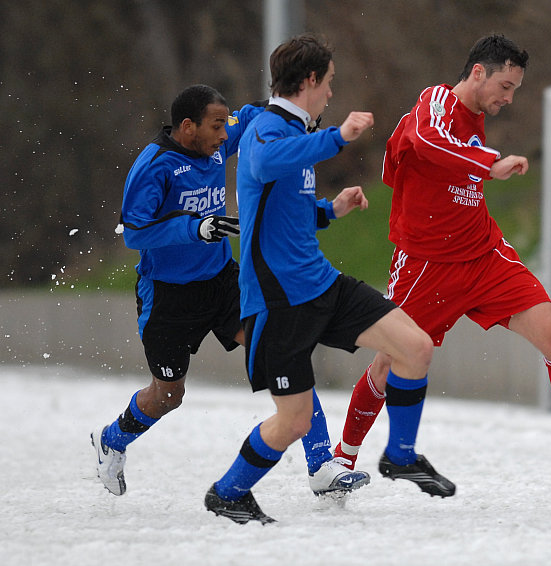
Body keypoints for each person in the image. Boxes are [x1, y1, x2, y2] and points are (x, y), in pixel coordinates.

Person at [332, 34, 551, 487]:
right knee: (390, 365)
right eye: (505, 86)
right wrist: (488, 165)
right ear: (479, 72)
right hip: (428, 264)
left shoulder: (474, 119)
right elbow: (425, 142)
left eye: (515, 90)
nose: (509, 98)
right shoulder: (434, 101)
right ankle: (341, 462)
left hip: (484, 254)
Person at [203, 34, 438, 525]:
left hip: (322, 285)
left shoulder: (292, 131)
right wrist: (340, 137)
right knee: (293, 422)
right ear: (309, 81)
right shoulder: (266, 128)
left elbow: (283, 210)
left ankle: (399, 453)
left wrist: (331, 209)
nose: (332, 93)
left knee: (415, 346)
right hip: (278, 301)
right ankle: (227, 493)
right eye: (329, 83)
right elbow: (265, 164)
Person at [91, 84, 369, 499]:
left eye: (226, 126)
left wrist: (301, 114)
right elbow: (133, 231)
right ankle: (113, 439)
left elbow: (259, 115)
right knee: (167, 396)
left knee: (282, 350)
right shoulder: (155, 165)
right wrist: (194, 226)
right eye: (216, 126)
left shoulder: (219, 139)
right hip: (168, 297)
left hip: (224, 283)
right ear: (188, 127)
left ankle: (321, 467)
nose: (225, 135)